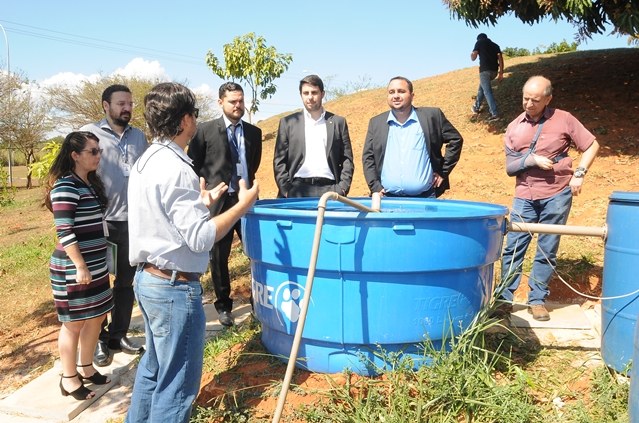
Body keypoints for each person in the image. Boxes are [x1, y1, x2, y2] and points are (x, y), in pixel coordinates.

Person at [125, 82, 258, 422]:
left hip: (149, 279)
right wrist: (241, 206)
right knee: (177, 385)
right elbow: (200, 238)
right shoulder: (178, 168)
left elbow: (164, 217)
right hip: (173, 289)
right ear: (184, 120)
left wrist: (202, 203)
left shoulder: (147, 160)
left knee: (154, 370)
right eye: (195, 114)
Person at [499, 75, 599, 321]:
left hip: (557, 193)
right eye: (525, 98)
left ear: (548, 99)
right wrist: (531, 160)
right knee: (513, 246)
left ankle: (537, 300)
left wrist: (580, 174)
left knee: (547, 247)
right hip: (524, 194)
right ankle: (503, 299)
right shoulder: (514, 127)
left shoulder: (564, 119)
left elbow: (592, 145)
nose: (529, 104)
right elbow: (510, 167)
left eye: (535, 100)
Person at [80, 84, 148, 366]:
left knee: (125, 282)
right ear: (105, 105)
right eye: (121, 103)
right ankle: (97, 339)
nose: (127, 108)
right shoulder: (89, 134)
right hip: (100, 222)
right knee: (98, 282)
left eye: (130, 103)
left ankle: (117, 335)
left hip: (132, 222)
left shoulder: (139, 136)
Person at [45, 131, 113, 401]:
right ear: (75, 155)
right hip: (74, 268)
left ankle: (86, 368)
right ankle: (69, 378)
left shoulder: (89, 183)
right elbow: (65, 231)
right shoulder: (65, 186)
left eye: (99, 151)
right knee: (74, 323)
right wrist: (80, 266)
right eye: (92, 152)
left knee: (96, 317)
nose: (98, 156)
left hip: (96, 265)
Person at [187, 82, 262, 327]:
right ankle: (223, 305)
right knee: (219, 255)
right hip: (218, 200)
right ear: (221, 102)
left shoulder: (253, 133)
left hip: (246, 200)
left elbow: (254, 163)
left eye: (241, 101)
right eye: (233, 101)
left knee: (255, 252)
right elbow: (195, 165)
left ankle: (258, 301)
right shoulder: (206, 131)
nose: (238, 105)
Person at [362, 76, 463, 198]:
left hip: (425, 198)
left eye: (401, 91)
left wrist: (443, 171)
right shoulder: (376, 123)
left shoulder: (431, 116)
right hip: (387, 199)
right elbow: (368, 157)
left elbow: (455, 139)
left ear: (412, 95)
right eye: (391, 92)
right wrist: (375, 187)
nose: (396, 96)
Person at [273, 74, 354, 198]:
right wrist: (286, 190)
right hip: (297, 190)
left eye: (314, 92)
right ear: (301, 95)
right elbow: (279, 161)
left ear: (322, 94)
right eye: (306, 93)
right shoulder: (288, 123)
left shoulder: (338, 122)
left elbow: (347, 159)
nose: (310, 97)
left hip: (331, 190)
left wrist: (342, 188)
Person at [470, 33, 504, 122]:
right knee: (481, 89)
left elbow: (473, 57)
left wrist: (472, 54)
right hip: (494, 71)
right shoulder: (495, 45)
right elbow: (500, 58)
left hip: (484, 71)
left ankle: (495, 113)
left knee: (487, 92)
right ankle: (476, 107)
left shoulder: (479, 42)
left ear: (478, 39)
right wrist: (501, 73)